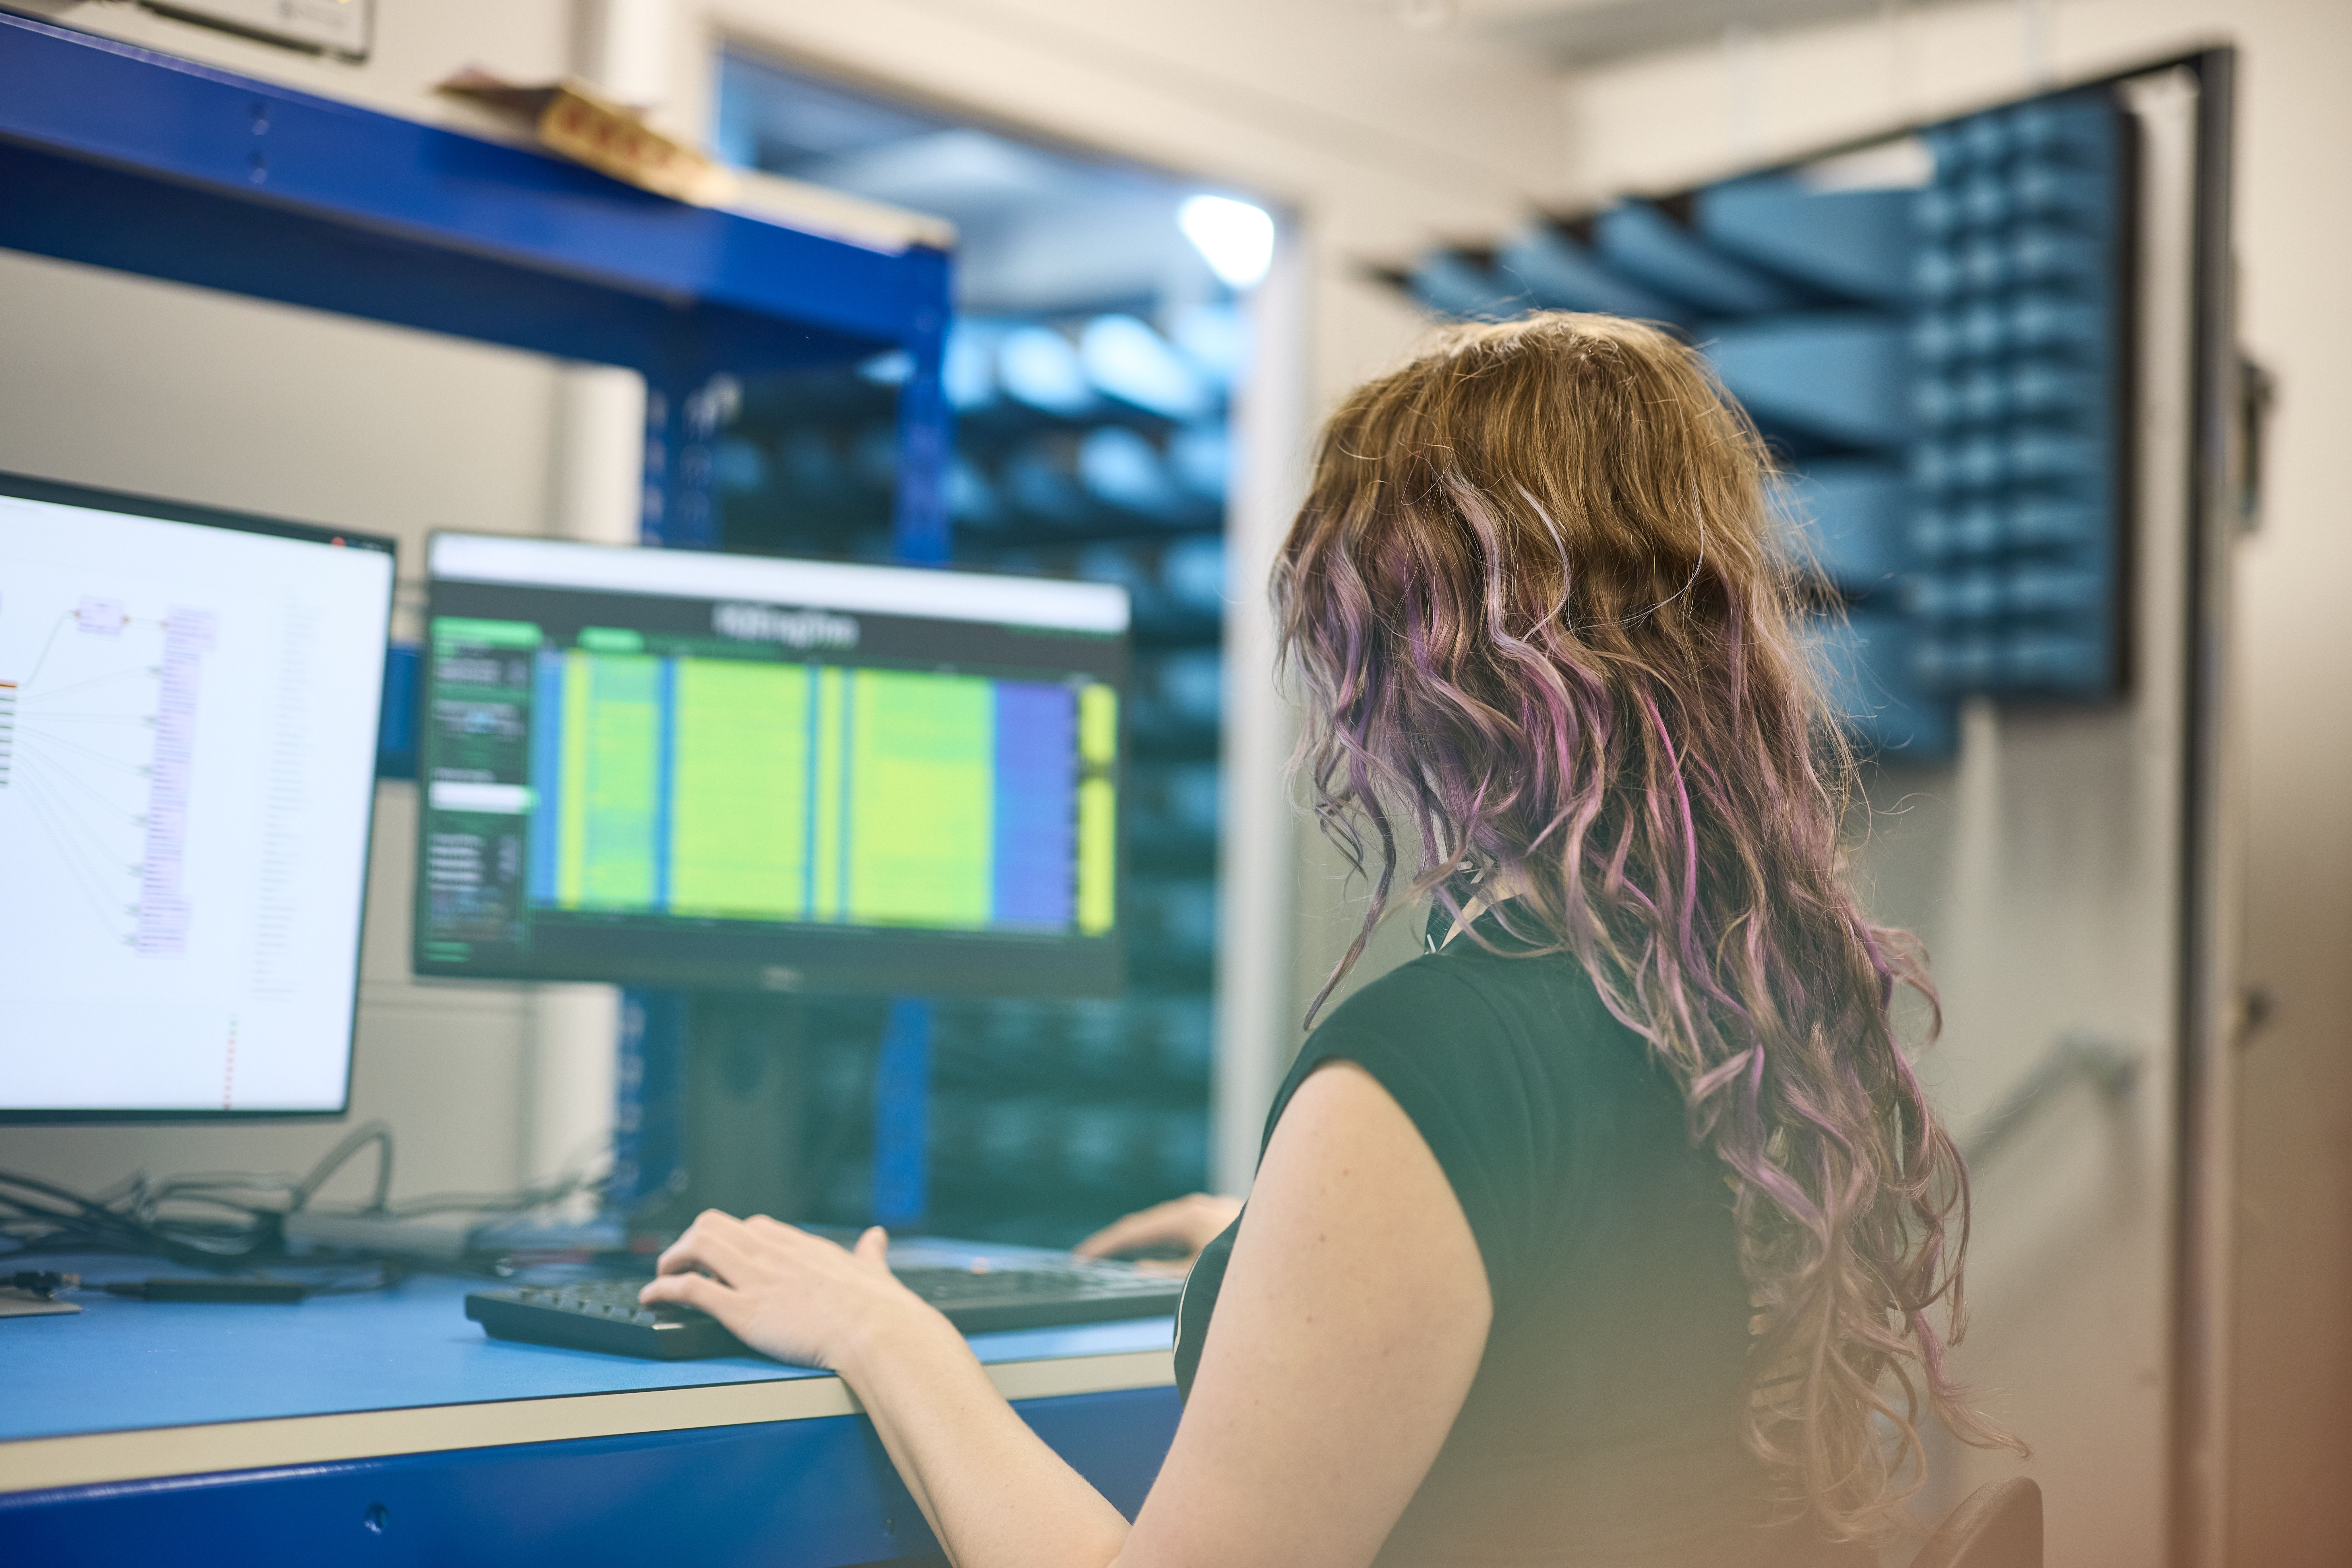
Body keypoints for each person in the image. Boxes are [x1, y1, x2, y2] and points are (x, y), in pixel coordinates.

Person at [642, 313, 2011, 1567]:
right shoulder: (1730, 993)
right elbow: (1591, 1304)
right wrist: (1294, 1244)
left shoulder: (1422, 1061)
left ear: (1407, 663)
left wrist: (884, 1335)